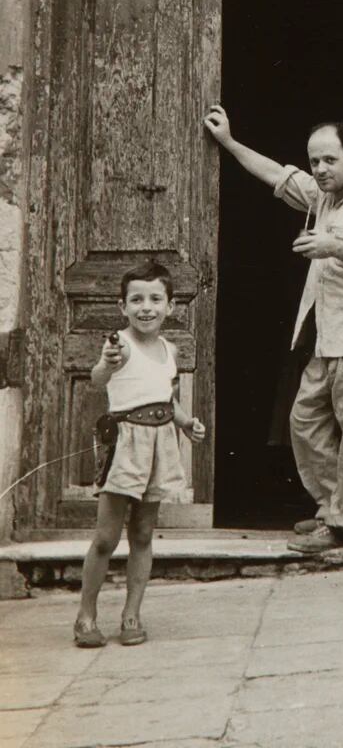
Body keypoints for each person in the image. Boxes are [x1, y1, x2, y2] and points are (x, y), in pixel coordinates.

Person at [204, 106, 343, 553]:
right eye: (314, 161)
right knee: (305, 419)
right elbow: (278, 174)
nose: (319, 169)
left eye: (328, 160)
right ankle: (336, 507)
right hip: (330, 332)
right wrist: (229, 142)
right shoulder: (323, 197)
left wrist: (333, 245)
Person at [73, 261, 205, 647]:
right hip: (126, 444)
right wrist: (105, 362)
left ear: (171, 305)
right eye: (136, 300)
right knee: (106, 536)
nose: (146, 307)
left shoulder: (168, 348)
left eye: (155, 299)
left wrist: (185, 423)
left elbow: (166, 397)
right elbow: (100, 377)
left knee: (144, 532)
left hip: (160, 443)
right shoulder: (119, 345)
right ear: (122, 306)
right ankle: (86, 615)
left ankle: (132, 615)